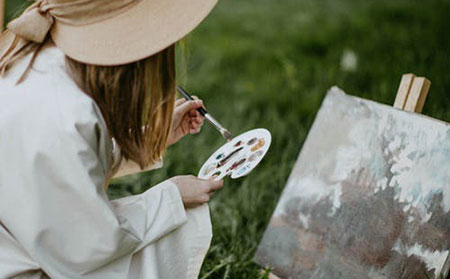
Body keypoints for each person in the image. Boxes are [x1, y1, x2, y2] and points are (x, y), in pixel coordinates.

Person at [0, 0, 223, 278]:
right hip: (30, 267)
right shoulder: (65, 110)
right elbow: (84, 248)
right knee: (179, 224)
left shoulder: (34, 63)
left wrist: (148, 139)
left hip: (25, 244)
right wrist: (173, 198)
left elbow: (61, 172)